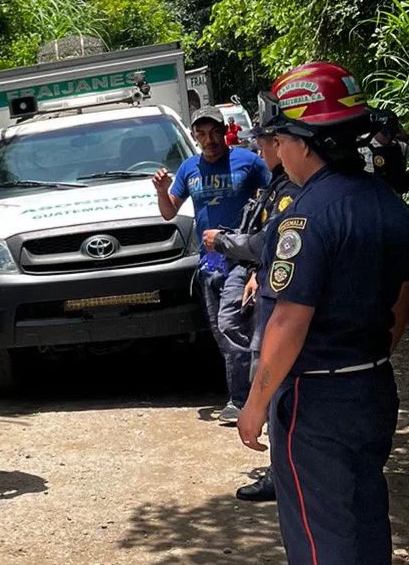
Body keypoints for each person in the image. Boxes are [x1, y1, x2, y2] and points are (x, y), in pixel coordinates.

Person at [237, 62, 409, 565]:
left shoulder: (308, 215)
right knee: (365, 516)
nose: (277, 150)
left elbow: (289, 320)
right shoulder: (387, 202)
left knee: (320, 537)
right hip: (373, 386)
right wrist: (379, 350)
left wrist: (255, 402)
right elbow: (403, 293)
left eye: (280, 138)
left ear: (304, 141)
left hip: (316, 399)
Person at [153, 106, 270, 421]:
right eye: (202, 134)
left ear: (224, 131)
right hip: (209, 264)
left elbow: (275, 199)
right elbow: (168, 212)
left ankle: (245, 400)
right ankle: (256, 394)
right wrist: (162, 192)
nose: (210, 139)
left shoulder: (249, 162)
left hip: (242, 258)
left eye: (215, 132)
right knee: (224, 332)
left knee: (230, 325)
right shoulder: (189, 168)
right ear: (194, 137)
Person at [202, 126, 297, 502]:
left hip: (275, 288)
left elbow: (269, 243)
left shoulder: (291, 190)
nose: (259, 148)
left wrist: (223, 242)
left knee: (268, 368)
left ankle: (281, 473)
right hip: (258, 274)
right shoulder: (275, 183)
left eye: (264, 142)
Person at [363, 109, 409, 194]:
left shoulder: (400, 146)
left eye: (391, 132)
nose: (387, 136)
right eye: (384, 133)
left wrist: (405, 137)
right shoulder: (364, 148)